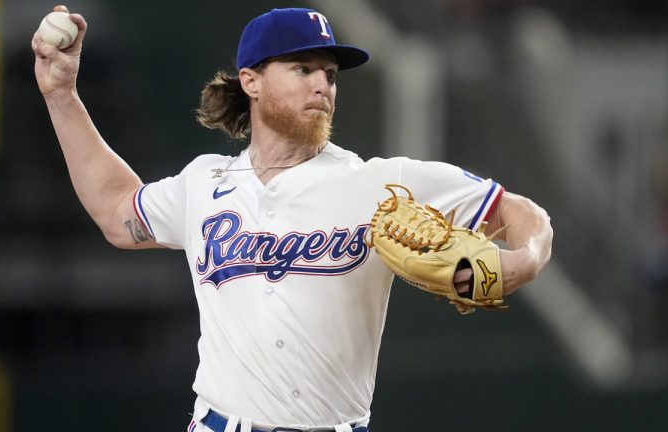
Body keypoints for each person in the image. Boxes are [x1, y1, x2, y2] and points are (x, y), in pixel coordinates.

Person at [32, 5, 553, 432]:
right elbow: (117, 211)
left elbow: (520, 212)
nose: (322, 85)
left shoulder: (380, 184)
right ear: (251, 81)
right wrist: (61, 95)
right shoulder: (204, 185)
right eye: (302, 69)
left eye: (328, 73)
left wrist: (520, 264)